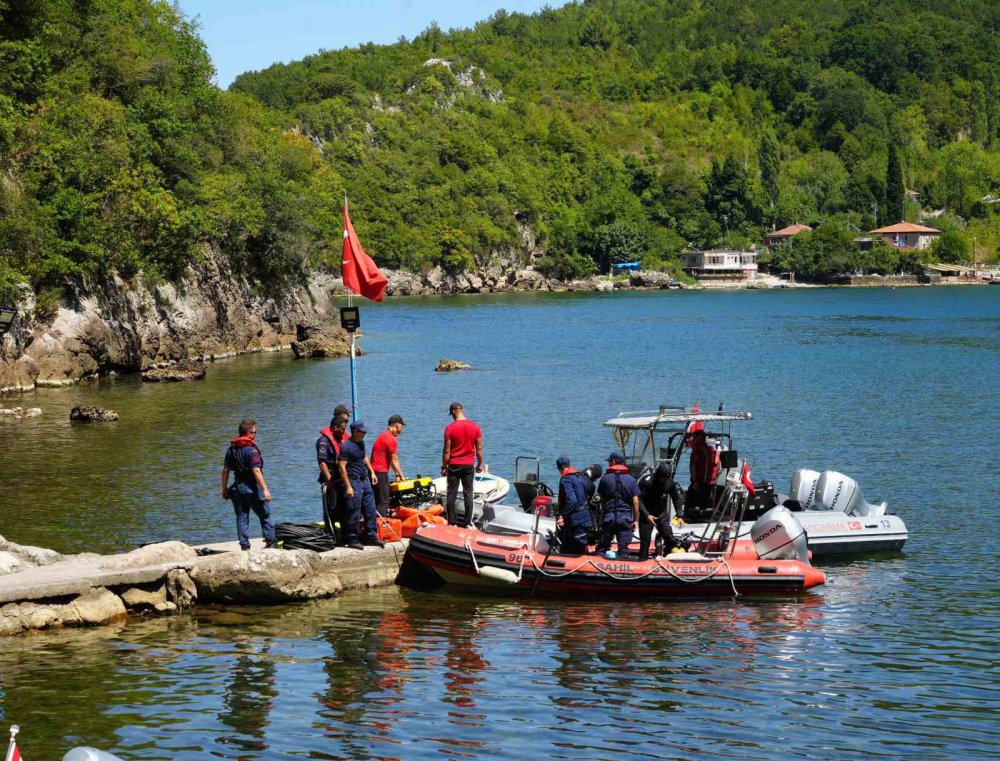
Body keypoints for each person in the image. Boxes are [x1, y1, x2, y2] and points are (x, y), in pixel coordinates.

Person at [221, 419, 276, 551]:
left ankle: (245, 546)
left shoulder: (231, 449)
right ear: (248, 433)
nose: (255, 435)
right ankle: (271, 542)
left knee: (241, 517)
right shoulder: (251, 451)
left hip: (236, 488)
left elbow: (225, 470)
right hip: (251, 488)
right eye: (255, 432)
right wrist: (265, 489)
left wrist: (224, 488)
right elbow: (256, 471)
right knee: (264, 514)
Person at [337, 421, 383, 549]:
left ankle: (371, 537)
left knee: (371, 509)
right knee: (354, 511)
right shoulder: (346, 447)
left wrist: (372, 472)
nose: (365, 434)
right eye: (362, 432)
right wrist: (348, 487)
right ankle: (352, 538)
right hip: (353, 481)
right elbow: (341, 467)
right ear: (355, 432)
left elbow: (364, 457)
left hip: (365, 480)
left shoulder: (361, 443)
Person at [441, 401, 484, 528]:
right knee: (468, 493)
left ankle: (452, 523)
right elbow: (479, 449)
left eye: (452, 414)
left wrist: (444, 467)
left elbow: (447, 451)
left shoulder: (449, 428)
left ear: (454, 411)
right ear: (462, 410)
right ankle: (468, 523)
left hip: (453, 464)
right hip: (468, 465)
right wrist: (480, 464)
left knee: (451, 494)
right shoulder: (475, 427)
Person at [596, 452, 639, 558]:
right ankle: (623, 569)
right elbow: (636, 502)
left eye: (609, 461)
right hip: (625, 518)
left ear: (614, 461)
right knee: (623, 548)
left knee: (602, 547)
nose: (609, 464)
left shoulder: (605, 478)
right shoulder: (631, 479)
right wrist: (636, 520)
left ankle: (598, 566)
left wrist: (601, 515)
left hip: (609, 516)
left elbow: (601, 499)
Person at [638, 462, 682, 559]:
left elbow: (676, 498)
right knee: (645, 542)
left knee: (669, 538)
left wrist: (679, 515)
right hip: (647, 516)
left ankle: (667, 557)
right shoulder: (647, 482)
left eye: (667, 477)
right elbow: (639, 500)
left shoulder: (670, 483)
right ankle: (643, 560)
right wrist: (646, 515)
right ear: (658, 474)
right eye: (663, 477)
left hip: (661, 515)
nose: (665, 479)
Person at [317, 412, 349, 540]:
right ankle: (331, 536)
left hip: (340, 477)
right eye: (342, 429)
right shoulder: (323, 441)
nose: (344, 431)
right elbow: (322, 463)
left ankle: (344, 534)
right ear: (335, 427)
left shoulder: (340, 439)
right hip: (330, 478)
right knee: (330, 509)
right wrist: (329, 480)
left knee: (344, 507)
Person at [371, 415, 406, 516]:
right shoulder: (391, 438)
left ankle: (375, 523)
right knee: (384, 501)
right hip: (380, 472)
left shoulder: (384, 435)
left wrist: (397, 474)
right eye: (402, 426)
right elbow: (394, 460)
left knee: (377, 500)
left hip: (375, 472)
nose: (402, 428)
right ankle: (381, 526)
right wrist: (402, 476)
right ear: (396, 425)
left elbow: (390, 459)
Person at [555, 456, 591, 555]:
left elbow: (572, 500)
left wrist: (562, 516)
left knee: (579, 547)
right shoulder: (579, 477)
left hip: (576, 520)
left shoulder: (566, 479)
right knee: (567, 546)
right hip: (583, 518)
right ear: (569, 465)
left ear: (560, 468)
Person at [687, 429, 720, 518]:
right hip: (711, 484)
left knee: (690, 502)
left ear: (699, 438)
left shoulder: (696, 452)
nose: (693, 439)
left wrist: (694, 482)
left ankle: (688, 517)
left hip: (699, 483)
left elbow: (692, 467)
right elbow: (718, 467)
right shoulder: (712, 450)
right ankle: (706, 517)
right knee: (707, 504)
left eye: (694, 437)